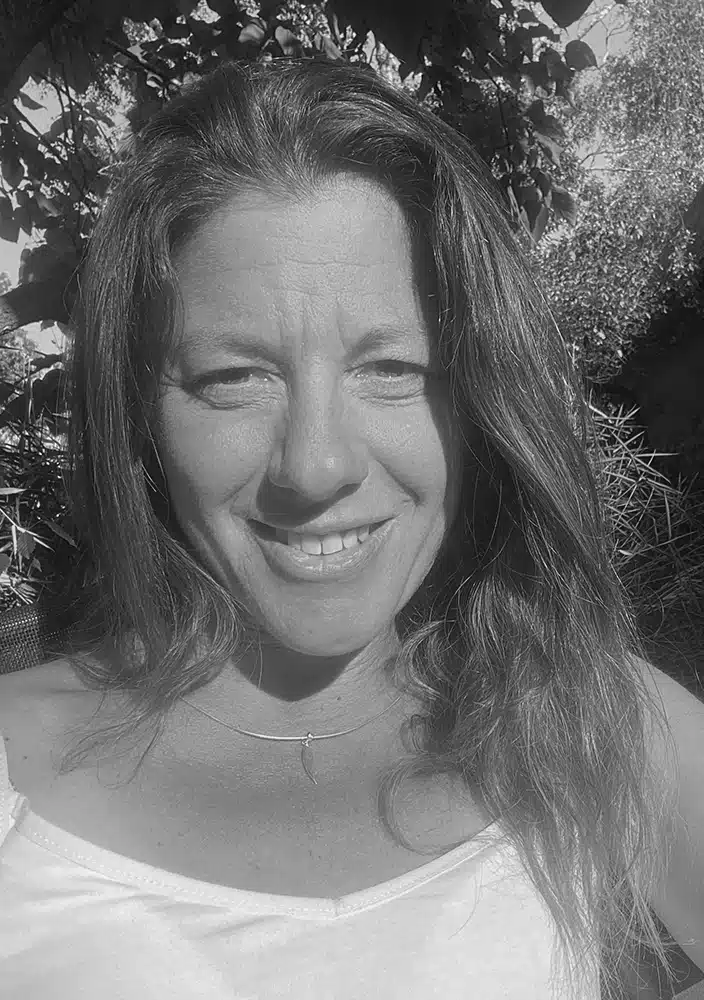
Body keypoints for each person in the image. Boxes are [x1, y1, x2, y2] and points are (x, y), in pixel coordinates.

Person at [0, 57, 702, 1000]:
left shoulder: (596, 721)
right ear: (140, 420)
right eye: (233, 378)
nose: (317, 465)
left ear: (482, 403)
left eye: (394, 369)